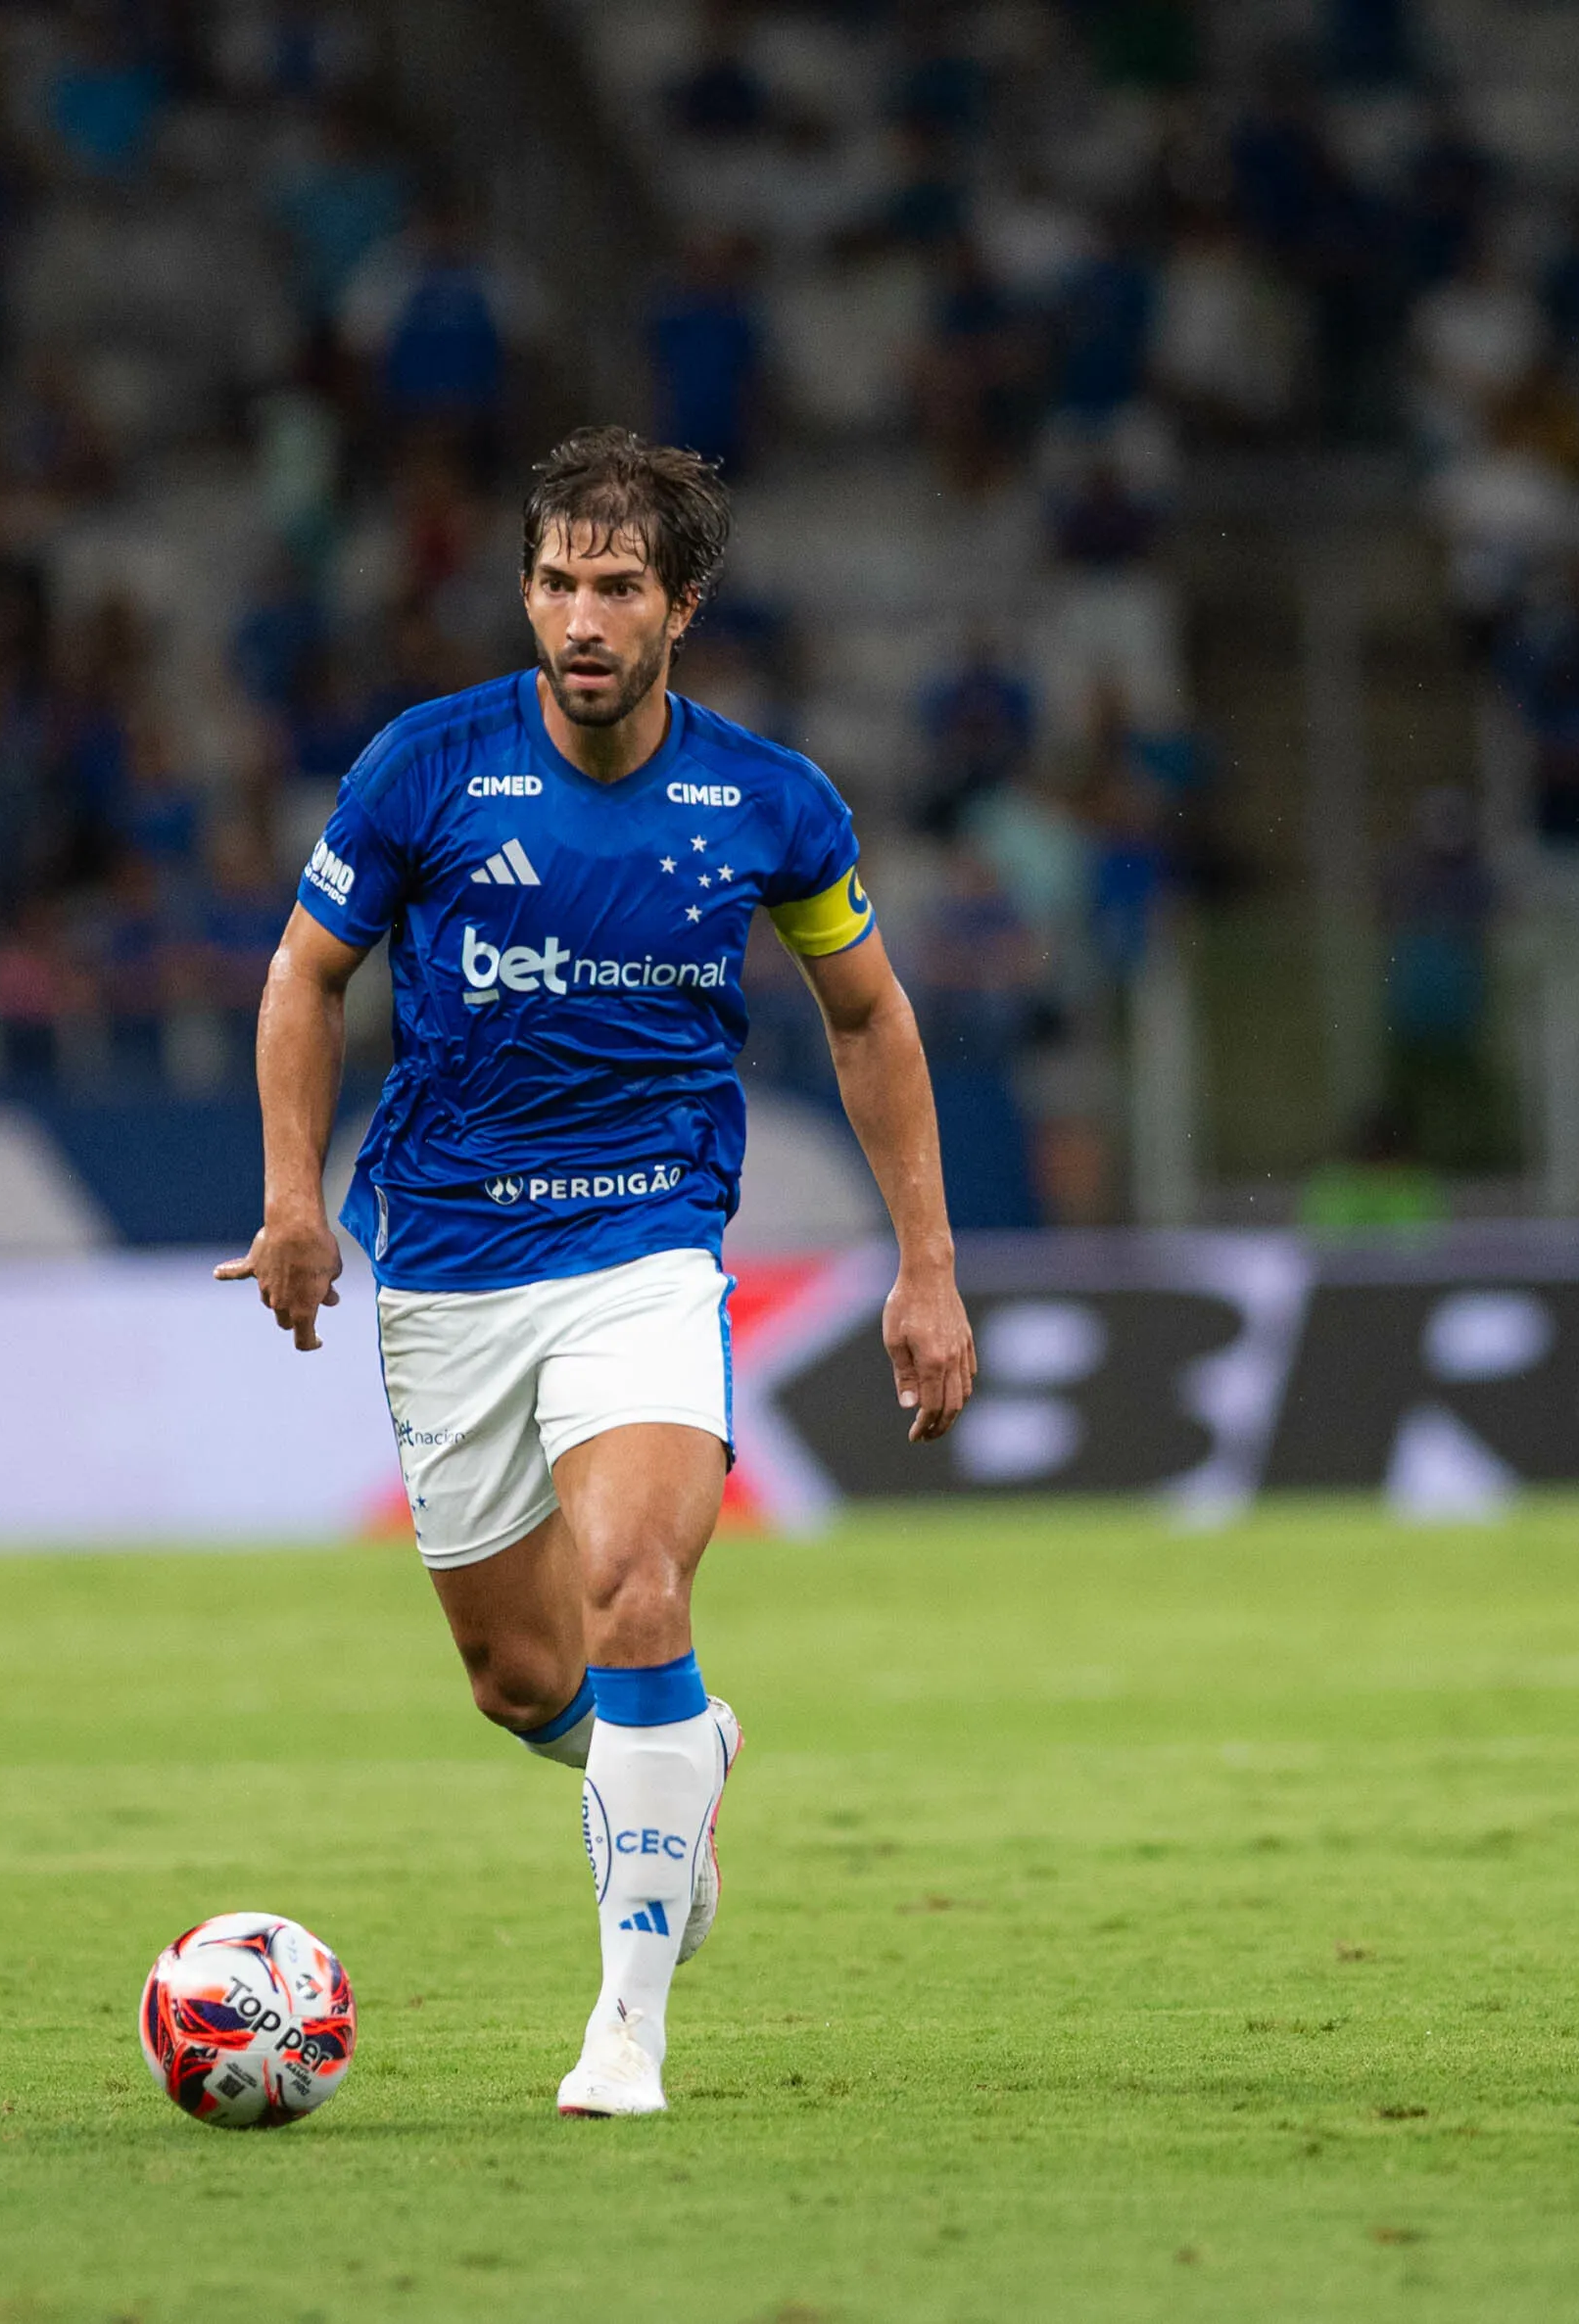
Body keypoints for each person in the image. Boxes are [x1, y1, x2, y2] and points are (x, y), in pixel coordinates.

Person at [216, 430, 977, 2119]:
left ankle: (624, 2029)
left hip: (645, 1245)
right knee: (521, 1680)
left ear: (679, 607)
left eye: (618, 585)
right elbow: (302, 977)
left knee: (639, 1582)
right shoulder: (425, 767)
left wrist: (924, 1267)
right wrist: (291, 1196)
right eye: (557, 580)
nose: (581, 615)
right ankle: (677, 1750)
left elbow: (868, 1015)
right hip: (449, 1262)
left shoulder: (769, 802)